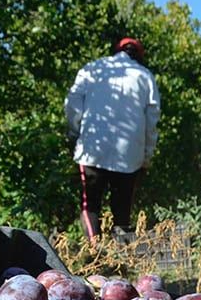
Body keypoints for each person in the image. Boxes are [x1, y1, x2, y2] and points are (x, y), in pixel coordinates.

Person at [64, 37, 160, 242]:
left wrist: (74, 133)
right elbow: (152, 120)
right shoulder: (145, 76)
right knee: (122, 212)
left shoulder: (92, 69)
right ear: (139, 56)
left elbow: (73, 103)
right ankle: (121, 254)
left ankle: (94, 250)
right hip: (129, 155)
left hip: (92, 149)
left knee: (90, 206)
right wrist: (147, 156)